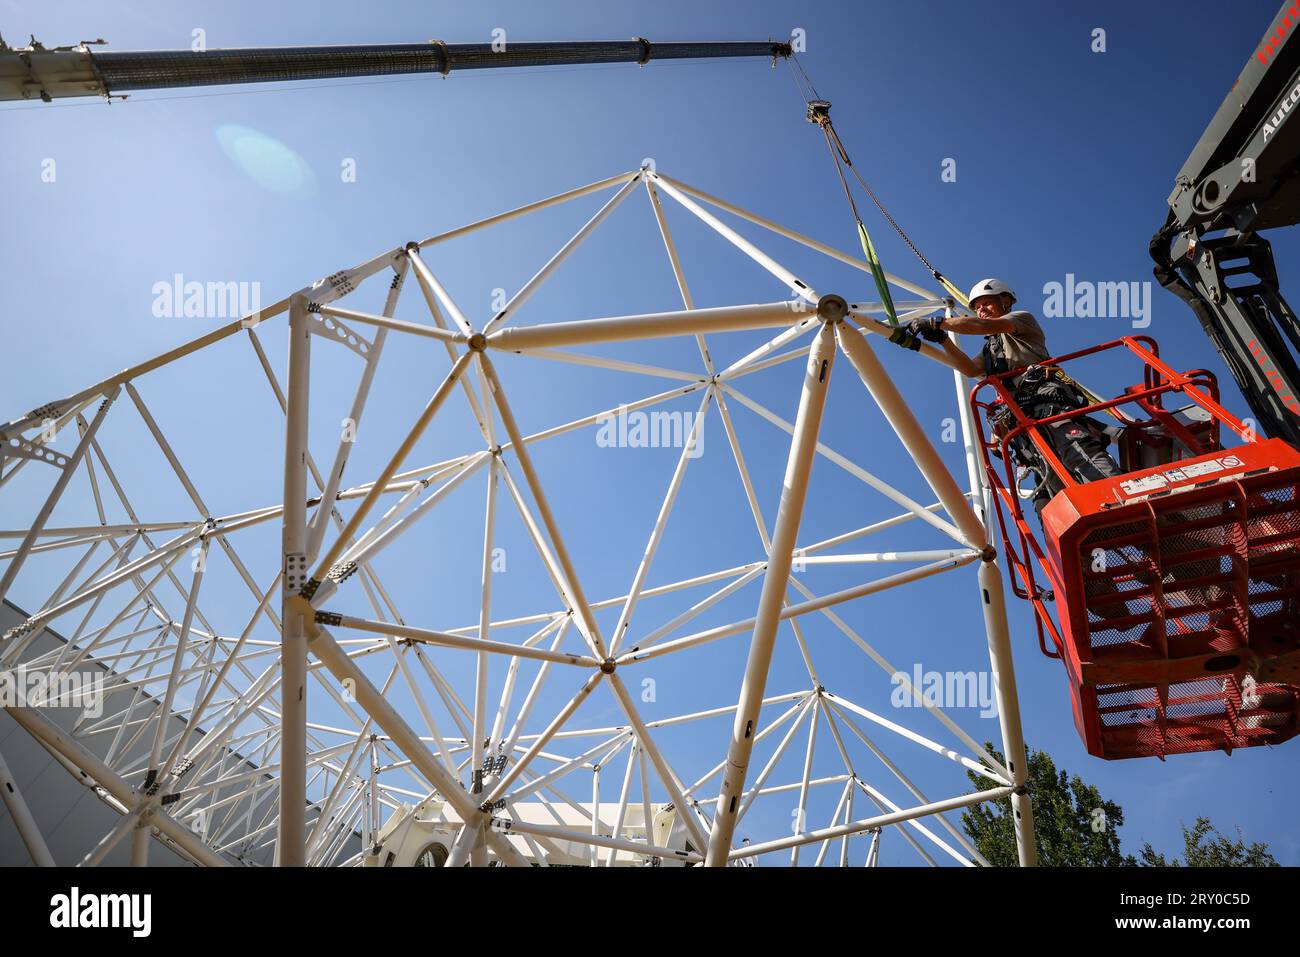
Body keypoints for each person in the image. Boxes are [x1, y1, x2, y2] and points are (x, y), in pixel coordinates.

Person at [904, 278, 1122, 519]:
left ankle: (1122, 501)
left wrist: (940, 323)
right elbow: (969, 368)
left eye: (986, 303)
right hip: (1024, 423)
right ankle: (1081, 538)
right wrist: (943, 341)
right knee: (1049, 482)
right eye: (977, 307)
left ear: (1005, 301)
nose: (981, 310)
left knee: (1077, 452)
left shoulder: (1020, 321)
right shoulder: (991, 349)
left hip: (1048, 406)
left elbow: (980, 326)